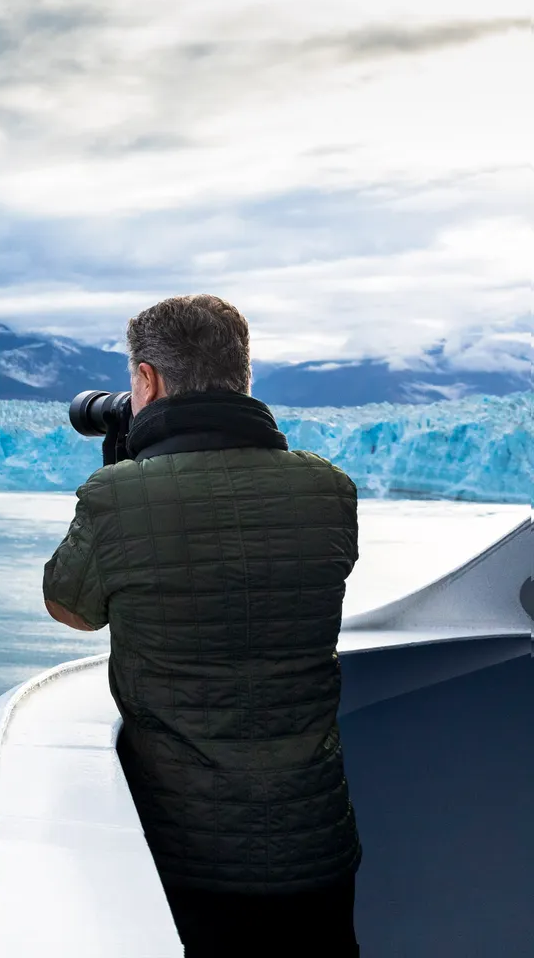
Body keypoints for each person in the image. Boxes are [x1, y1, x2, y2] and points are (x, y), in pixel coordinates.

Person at [42, 295, 361, 957]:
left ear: (148, 381)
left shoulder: (116, 498)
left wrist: (120, 469)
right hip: (315, 843)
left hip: (185, 851)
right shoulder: (330, 488)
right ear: (241, 376)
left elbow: (70, 608)